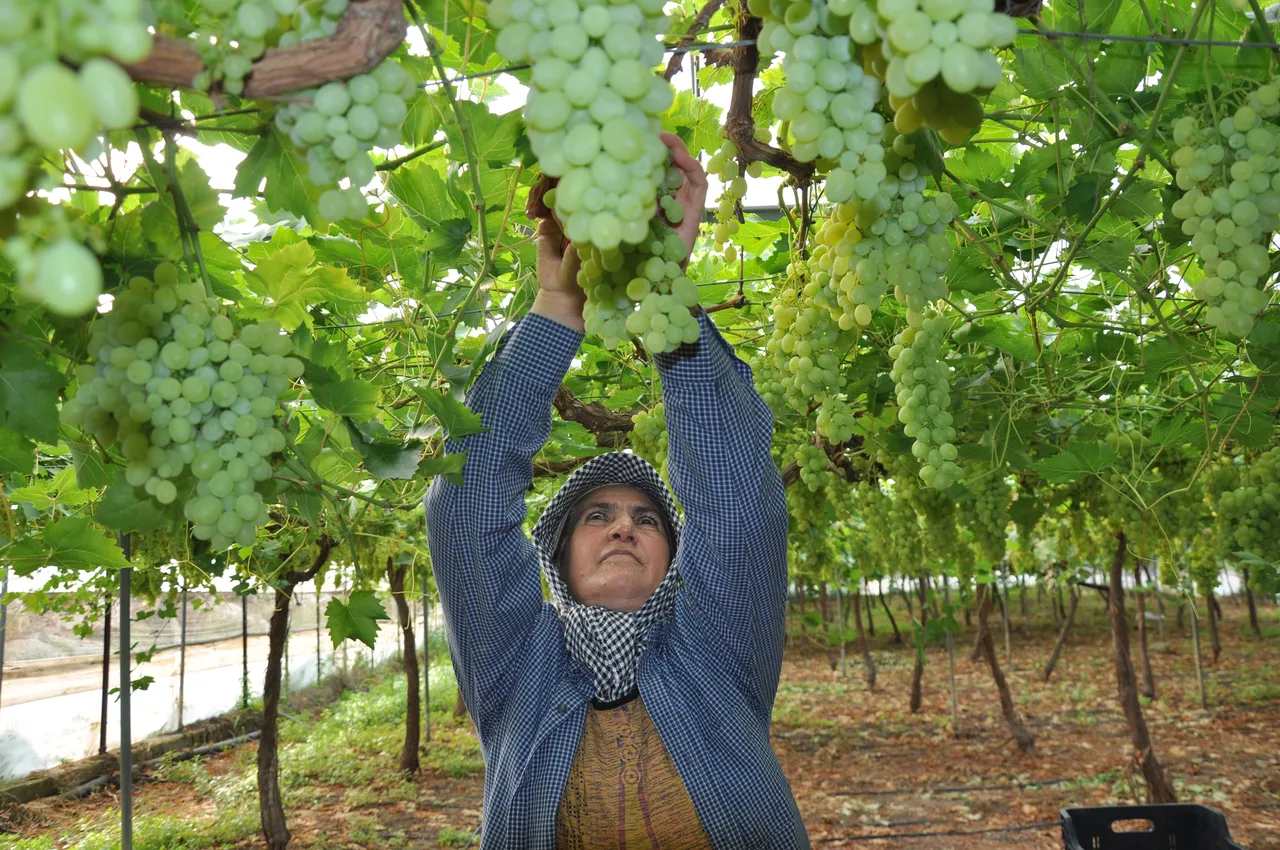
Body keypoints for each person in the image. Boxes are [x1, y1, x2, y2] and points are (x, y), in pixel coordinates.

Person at [424, 133, 808, 849]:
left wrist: (662, 283)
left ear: (677, 557)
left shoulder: (719, 649)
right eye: (596, 517)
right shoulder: (514, 662)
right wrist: (556, 306)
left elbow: (735, 500)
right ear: (559, 558)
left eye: (645, 519)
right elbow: (465, 504)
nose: (623, 528)